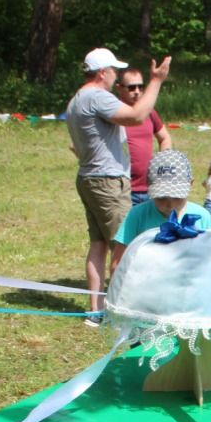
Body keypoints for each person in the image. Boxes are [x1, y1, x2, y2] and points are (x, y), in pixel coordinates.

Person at [66, 48, 171, 321]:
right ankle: (122, 312)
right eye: (113, 71)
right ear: (102, 73)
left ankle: (95, 309)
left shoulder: (77, 99)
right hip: (108, 182)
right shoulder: (97, 97)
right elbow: (137, 116)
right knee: (123, 247)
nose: (116, 76)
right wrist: (156, 81)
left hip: (88, 177)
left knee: (98, 245)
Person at [110, 149, 211, 272]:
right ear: (148, 186)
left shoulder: (202, 216)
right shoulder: (137, 215)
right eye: (161, 198)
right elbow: (117, 264)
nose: (169, 205)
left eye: (177, 197)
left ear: (190, 184)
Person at [113, 67, 171, 206]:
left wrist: (161, 166)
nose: (137, 92)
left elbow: (165, 138)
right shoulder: (113, 113)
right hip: (124, 190)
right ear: (119, 88)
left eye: (141, 86)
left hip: (151, 188)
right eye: (132, 88)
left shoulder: (149, 112)